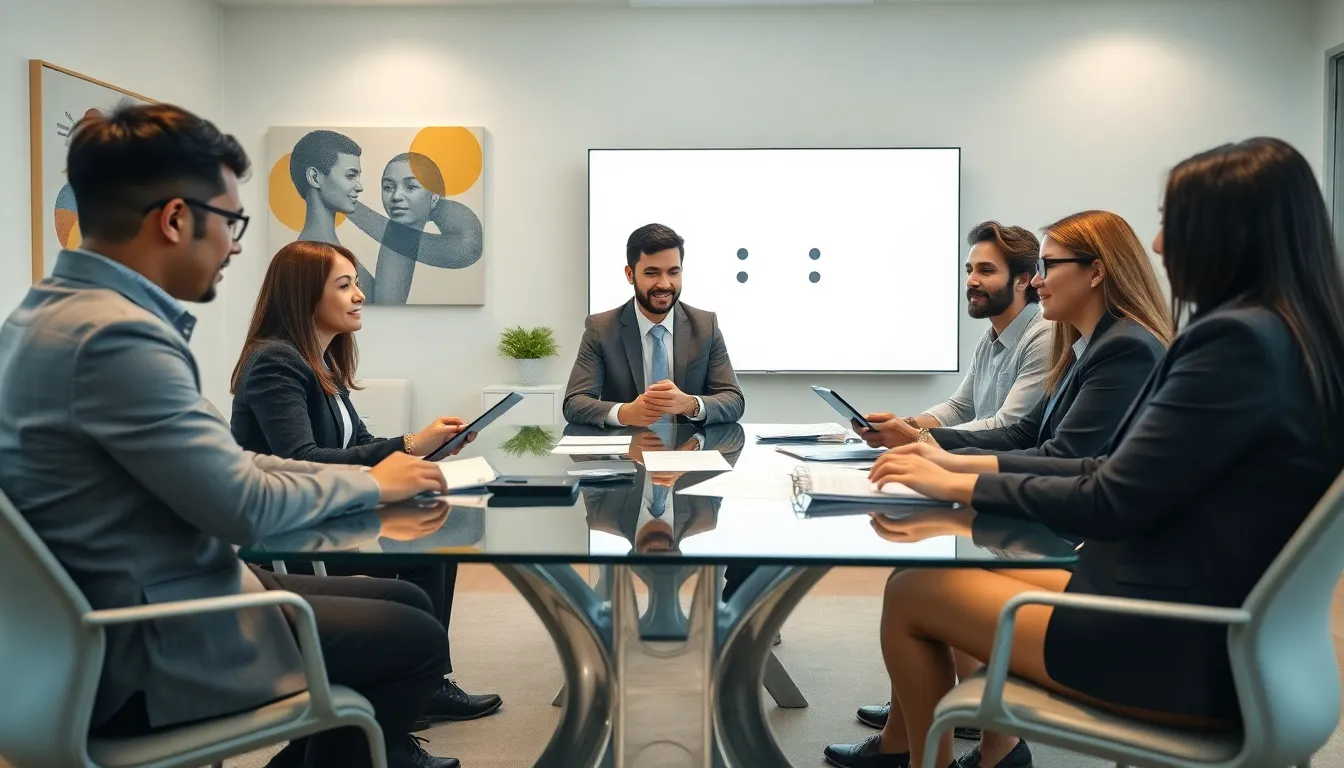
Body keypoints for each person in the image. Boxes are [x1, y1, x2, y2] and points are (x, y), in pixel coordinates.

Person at [823, 137, 1344, 768]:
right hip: (1226, 629)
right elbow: (1108, 470)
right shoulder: (1299, 338)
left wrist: (955, 482)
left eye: (1173, 223)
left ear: (1231, 232)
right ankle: (977, 752)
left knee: (913, 592)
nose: (1159, 245)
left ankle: (941, 754)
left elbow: (1107, 498)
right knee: (937, 579)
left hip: (1175, 645)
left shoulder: (1233, 343)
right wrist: (952, 466)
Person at [0, 103, 461, 767]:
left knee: (405, 599)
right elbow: (241, 506)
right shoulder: (116, 339)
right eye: (231, 223)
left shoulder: (49, 316)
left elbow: (236, 464)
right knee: (412, 636)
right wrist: (369, 484)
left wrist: (374, 476)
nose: (237, 246)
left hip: (123, 610)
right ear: (175, 219)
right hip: (148, 642)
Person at [230, 240, 503, 726]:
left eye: (356, 283)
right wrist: (411, 444)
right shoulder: (275, 361)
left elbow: (359, 442)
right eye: (345, 285)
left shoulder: (320, 360)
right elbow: (301, 459)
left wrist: (423, 447)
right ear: (304, 295)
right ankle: (417, 686)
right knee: (422, 557)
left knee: (436, 544)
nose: (359, 295)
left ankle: (426, 683)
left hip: (328, 517)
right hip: (293, 538)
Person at [859, 210, 1172, 462]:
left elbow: (1061, 458)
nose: (1037, 281)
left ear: (1096, 272)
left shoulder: (1123, 348)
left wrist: (931, 453)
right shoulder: (1081, 346)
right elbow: (1022, 433)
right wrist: (915, 435)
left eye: (1047, 267)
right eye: (969, 270)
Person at [866, 221, 1052, 435]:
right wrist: (903, 425)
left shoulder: (1044, 336)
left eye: (986, 271)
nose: (971, 281)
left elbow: (1007, 425)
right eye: (970, 270)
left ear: (1022, 281)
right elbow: (959, 408)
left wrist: (915, 437)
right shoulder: (990, 338)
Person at [563, 223, 745, 428]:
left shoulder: (705, 326)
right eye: (652, 273)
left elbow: (734, 400)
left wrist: (691, 405)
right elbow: (574, 403)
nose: (664, 284)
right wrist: (624, 413)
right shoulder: (600, 330)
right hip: (627, 446)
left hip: (690, 446)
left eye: (673, 272)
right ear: (630, 274)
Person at [345, 152, 484, 304]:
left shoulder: (457, 220)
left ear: (435, 196)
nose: (396, 196)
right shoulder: (401, 228)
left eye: (411, 187)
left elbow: (468, 248)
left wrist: (348, 206)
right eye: (388, 187)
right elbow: (386, 304)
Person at [290, 129, 363, 244]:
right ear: (314, 178)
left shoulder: (331, 249)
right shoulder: (309, 253)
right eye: (350, 176)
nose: (360, 187)